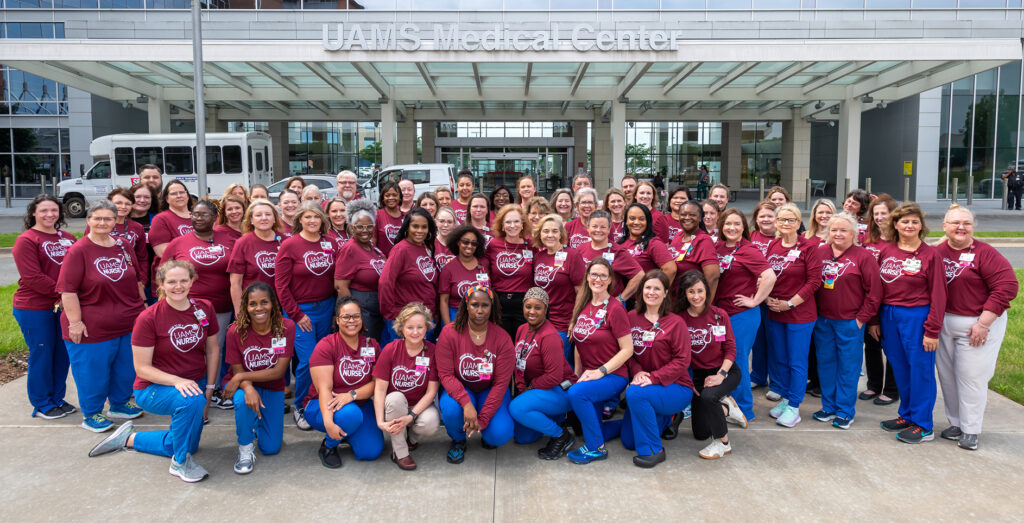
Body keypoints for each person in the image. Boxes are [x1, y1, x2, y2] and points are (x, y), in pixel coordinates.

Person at [86, 260, 219, 483]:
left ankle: (129, 439)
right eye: (172, 282)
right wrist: (178, 381)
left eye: (183, 281)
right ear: (161, 284)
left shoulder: (204, 308)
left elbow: (213, 350)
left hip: (194, 385)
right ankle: (179, 463)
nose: (178, 286)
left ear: (192, 281)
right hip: (153, 388)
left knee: (188, 443)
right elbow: (142, 368)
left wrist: (210, 389)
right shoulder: (148, 318)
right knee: (191, 405)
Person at [58, 200, 146, 432]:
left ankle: (119, 403)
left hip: (127, 322)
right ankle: (92, 413)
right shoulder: (79, 250)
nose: (102, 223)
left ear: (115, 221)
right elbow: (68, 291)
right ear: (88, 221)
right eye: (97, 218)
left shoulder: (123, 245)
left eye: (108, 218)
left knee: (125, 368)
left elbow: (135, 279)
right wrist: (75, 323)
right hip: (92, 326)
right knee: (92, 372)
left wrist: (142, 308)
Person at [935, 205, 1018, 450]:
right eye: (955, 223)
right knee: (948, 377)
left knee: (971, 377)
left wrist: (984, 322)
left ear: (973, 227)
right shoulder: (937, 252)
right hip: (945, 323)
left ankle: (971, 429)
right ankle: (956, 423)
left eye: (966, 223)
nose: (961, 227)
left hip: (978, 323)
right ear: (945, 226)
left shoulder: (985, 253)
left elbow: (1007, 286)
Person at [875, 203, 947, 444]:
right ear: (895, 224)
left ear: (921, 226)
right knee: (900, 367)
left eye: (915, 222)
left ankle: (924, 424)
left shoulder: (930, 255)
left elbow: (939, 294)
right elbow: (878, 288)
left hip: (917, 315)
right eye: (905, 221)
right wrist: (876, 319)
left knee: (920, 370)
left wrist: (932, 330)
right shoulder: (887, 251)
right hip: (889, 315)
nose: (910, 225)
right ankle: (907, 415)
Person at [812, 213, 881, 430]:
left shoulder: (863, 256)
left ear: (853, 233)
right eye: (834, 230)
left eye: (843, 230)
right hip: (823, 321)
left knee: (848, 368)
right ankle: (828, 406)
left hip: (850, 322)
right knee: (825, 364)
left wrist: (861, 320)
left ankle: (844, 411)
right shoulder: (820, 252)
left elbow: (875, 292)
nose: (838, 234)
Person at [618, 270, 693, 468]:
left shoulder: (676, 322)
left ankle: (653, 450)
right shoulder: (630, 317)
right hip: (645, 384)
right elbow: (626, 353)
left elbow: (682, 361)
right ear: (641, 291)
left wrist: (654, 377)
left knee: (634, 393)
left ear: (666, 293)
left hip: (675, 386)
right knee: (628, 441)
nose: (652, 292)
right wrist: (636, 371)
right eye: (648, 287)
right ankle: (666, 418)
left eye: (657, 288)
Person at [13, 195, 76, 419]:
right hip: (34, 308)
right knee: (42, 353)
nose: (49, 214)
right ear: (33, 213)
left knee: (62, 355)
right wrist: (65, 293)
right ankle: (42, 403)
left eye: (54, 210)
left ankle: (57, 399)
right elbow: (32, 277)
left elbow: (77, 269)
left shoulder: (68, 238)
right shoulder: (27, 240)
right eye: (44, 211)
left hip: (63, 307)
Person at [436, 285, 515, 463]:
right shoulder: (449, 333)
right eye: (474, 305)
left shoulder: (502, 338)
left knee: (500, 435)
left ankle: (486, 434)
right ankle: (458, 440)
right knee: (451, 410)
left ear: (492, 307)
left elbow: (501, 384)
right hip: (461, 387)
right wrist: (466, 404)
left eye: (485, 305)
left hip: (489, 389)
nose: (479, 310)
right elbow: (446, 375)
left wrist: (484, 418)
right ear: (466, 305)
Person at [275, 202, 337, 430]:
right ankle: (300, 406)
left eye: (317, 217)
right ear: (299, 219)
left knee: (326, 360)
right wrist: (297, 314)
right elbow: (281, 286)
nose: (312, 221)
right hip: (301, 312)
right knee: (309, 361)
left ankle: (319, 400)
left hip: (327, 308)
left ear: (323, 220)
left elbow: (336, 278)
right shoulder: (289, 245)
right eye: (308, 217)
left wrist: (335, 311)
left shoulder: (330, 244)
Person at [565, 258, 633, 464]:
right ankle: (625, 426)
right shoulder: (583, 304)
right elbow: (579, 341)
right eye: (594, 274)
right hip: (589, 374)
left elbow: (628, 349)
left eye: (603, 275)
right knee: (593, 428)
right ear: (587, 277)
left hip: (612, 375)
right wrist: (577, 372)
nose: (598, 279)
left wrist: (600, 371)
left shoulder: (615, 308)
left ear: (610, 280)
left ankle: (597, 449)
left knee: (576, 394)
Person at [222, 282, 294, 473]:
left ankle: (257, 423)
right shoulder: (235, 331)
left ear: (273, 304)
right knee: (243, 401)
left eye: (264, 302)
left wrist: (241, 377)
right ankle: (245, 448)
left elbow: (279, 372)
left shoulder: (285, 327)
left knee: (271, 448)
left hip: (272, 386)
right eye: (252, 304)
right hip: (243, 386)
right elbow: (237, 371)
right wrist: (247, 387)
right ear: (245, 307)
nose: (259, 308)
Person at [305, 296, 385, 468]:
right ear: (337, 320)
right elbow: (324, 388)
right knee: (350, 415)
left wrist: (352, 395)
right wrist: (329, 423)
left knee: (370, 452)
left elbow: (377, 383)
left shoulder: (371, 345)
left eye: (356, 316)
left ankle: (348, 431)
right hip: (323, 405)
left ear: (362, 319)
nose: (352, 321)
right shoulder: (327, 345)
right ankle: (329, 446)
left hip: (358, 402)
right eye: (346, 317)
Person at [713, 208, 776, 423]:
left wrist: (755, 300)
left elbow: (769, 276)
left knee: (737, 361)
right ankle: (726, 403)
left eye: (737, 224)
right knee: (722, 360)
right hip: (719, 315)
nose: (732, 228)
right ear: (721, 226)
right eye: (728, 224)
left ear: (744, 227)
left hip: (742, 314)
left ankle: (744, 409)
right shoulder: (717, 247)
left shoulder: (749, 250)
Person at [762, 203, 822, 428]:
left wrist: (790, 303)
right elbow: (766, 276)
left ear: (799, 223)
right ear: (776, 223)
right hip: (775, 311)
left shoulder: (808, 248)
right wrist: (767, 299)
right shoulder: (774, 245)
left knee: (796, 361)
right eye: (782, 220)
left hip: (799, 314)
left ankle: (795, 406)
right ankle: (786, 398)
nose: (786, 223)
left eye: (791, 220)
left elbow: (814, 281)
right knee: (780, 359)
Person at [678, 270, 742, 460]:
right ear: (685, 293)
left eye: (700, 291)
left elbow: (730, 348)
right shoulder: (679, 318)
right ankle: (727, 408)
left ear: (706, 290)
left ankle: (723, 443)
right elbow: (677, 354)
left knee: (709, 396)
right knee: (700, 433)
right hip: (698, 374)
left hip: (725, 370)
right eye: (691, 292)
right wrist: (689, 381)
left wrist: (721, 374)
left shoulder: (718, 315)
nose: (696, 296)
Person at [508, 287, 578, 459]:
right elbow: (519, 362)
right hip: (538, 389)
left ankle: (561, 435)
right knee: (522, 438)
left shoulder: (550, 336)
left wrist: (529, 388)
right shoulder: (522, 329)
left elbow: (554, 376)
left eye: (537, 308)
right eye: (528, 306)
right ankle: (552, 417)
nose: (532, 312)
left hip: (561, 389)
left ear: (546, 310)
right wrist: (520, 385)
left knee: (516, 408)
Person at [372, 302, 441, 470]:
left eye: (420, 327)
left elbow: (432, 391)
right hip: (395, 406)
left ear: (427, 328)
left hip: (420, 405)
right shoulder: (390, 350)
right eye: (410, 327)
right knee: (395, 398)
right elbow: (380, 390)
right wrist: (380, 421)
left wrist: (412, 416)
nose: (415, 332)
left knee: (431, 422)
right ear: (401, 328)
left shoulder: (432, 351)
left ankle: (411, 438)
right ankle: (400, 452)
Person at [161, 200, 234, 352]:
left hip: (222, 307)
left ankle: (213, 377)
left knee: (216, 350)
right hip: (187, 307)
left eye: (204, 214)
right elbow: (162, 274)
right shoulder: (178, 243)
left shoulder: (230, 239)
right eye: (195, 214)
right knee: (190, 348)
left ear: (215, 217)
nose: (198, 218)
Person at [379, 208, 440, 346]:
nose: (420, 231)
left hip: (427, 318)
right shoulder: (401, 249)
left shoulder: (427, 247)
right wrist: (392, 314)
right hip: (406, 320)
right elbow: (385, 282)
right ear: (407, 227)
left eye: (424, 227)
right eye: (415, 226)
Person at [861, 194, 900, 405]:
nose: (879, 217)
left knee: (891, 347)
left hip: (891, 303)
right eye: (875, 213)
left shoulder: (900, 242)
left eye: (883, 213)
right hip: (869, 303)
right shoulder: (869, 241)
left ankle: (892, 390)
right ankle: (874, 385)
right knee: (872, 345)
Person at [532, 214, 585, 359]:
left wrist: (575, 320)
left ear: (561, 234)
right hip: (540, 321)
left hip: (562, 323)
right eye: (546, 231)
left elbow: (581, 291)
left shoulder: (572, 255)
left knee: (559, 365)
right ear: (539, 234)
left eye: (555, 231)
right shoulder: (538, 257)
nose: (550, 235)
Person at [334, 199, 387, 342]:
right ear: (351, 228)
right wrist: (355, 317)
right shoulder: (350, 248)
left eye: (369, 227)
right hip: (362, 310)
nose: (365, 231)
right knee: (364, 348)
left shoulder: (371, 246)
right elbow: (340, 286)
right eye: (360, 227)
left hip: (375, 309)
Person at [228, 199, 283, 316]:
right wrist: (240, 312)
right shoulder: (243, 243)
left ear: (274, 219)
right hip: (254, 307)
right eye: (258, 215)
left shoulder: (285, 241)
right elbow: (236, 283)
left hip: (281, 306)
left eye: (268, 214)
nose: (264, 218)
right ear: (251, 220)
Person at [486, 204, 533, 338]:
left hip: (524, 302)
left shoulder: (530, 245)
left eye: (516, 221)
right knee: (501, 341)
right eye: (508, 222)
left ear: (523, 224)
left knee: (522, 341)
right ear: (502, 225)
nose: (512, 225)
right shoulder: (493, 245)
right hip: (499, 302)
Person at [575, 210, 644, 302]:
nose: (598, 230)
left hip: (609, 306)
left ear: (609, 229)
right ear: (588, 228)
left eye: (603, 227)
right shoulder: (580, 249)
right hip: (587, 304)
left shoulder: (618, 251)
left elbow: (639, 275)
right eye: (594, 226)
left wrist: (621, 298)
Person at [668, 200, 720, 303]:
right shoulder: (678, 236)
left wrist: (703, 305)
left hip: (692, 304)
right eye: (683, 214)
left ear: (701, 218)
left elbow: (713, 277)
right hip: (675, 301)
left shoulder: (704, 241)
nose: (687, 218)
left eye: (692, 215)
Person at [439, 224, 489, 325]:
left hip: (480, 316)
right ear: (458, 242)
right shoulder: (448, 268)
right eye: (465, 242)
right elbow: (444, 301)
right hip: (455, 316)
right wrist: (447, 326)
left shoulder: (484, 264)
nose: (469, 246)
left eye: (474, 243)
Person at [619, 203, 676, 285]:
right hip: (622, 295)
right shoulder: (621, 242)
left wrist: (657, 291)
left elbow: (670, 269)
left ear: (647, 222)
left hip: (643, 296)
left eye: (641, 219)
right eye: (632, 218)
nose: (636, 222)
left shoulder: (654, 243)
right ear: (626, 221)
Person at [150, 180, 194, 259]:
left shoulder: (199, 217)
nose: (179, 196)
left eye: (182, 192)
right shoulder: (160, 219)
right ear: (167, 199)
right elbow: (162, 252)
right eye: (174, 194)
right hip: (174, 267)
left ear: (187, 196)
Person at [375, 181, 404, 256]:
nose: (391, 198)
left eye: (394, 195)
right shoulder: (377, 215)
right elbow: (372, 243)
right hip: (383, 261)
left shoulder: (406, 216)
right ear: (383, 198)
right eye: (387, 195)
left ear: (400, 197)